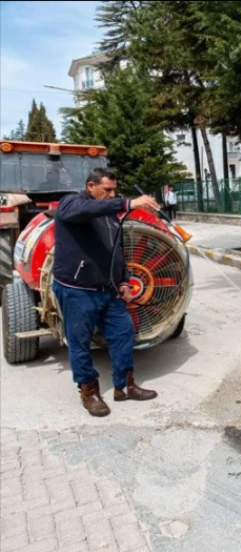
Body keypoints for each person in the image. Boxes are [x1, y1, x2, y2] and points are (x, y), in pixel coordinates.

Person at [53, 167, 162, 417]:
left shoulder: (110, 215)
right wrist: (126, 202)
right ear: (90, 187)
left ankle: (125, 386)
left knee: (124, 332)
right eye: (107, 190)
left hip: (108, 290)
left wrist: (123, 280)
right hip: (77, 290)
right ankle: (89, 392)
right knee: (80, 342)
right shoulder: (72, 203)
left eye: (115, 190)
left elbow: (117, 249)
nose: (112, 194)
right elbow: (83, 211)